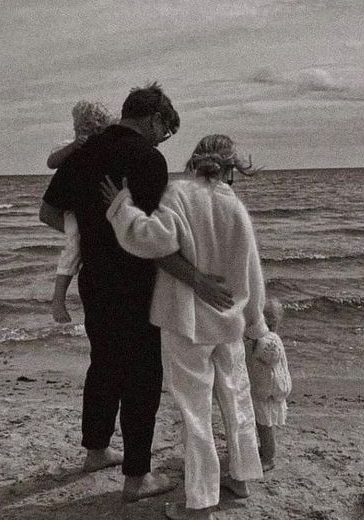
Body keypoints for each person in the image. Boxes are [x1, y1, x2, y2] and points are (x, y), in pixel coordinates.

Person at [39, 84, 233, 504]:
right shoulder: (148, 159)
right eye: (166, 129)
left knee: (104, 362)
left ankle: (95, 451)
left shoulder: (83, 153)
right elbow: (151, 238)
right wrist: (196, 276)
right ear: (153, 118)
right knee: (142, 374)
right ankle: (136, 477)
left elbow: (48, 212)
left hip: (95, 279)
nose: (164, 139)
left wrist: (92, 236)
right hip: (137, 279)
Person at [100, 134, 270, 520]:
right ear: (231, 168)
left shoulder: (178, 194)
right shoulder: (235, 207)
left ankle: (201, 503)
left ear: (194, 160)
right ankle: (241, 477)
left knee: (195, 413)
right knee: (236, 399)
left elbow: (149, 240)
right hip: (229, 321)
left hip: (187, 321)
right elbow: (252, 274)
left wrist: (121, 206)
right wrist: (256, 325)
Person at [46, 100, 113, 324]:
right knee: (74, 244)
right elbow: (51, 162)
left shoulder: (103, 147)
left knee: (78, 242)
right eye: (80, 130)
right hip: (73, 209)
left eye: (90, 130)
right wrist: (73, 146)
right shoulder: (69, 146)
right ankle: (58, 300)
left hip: (84, 209)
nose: (84, 135)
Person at [245, 297, 292, 471]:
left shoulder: (269, 340)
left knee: (264, 425)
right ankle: (265, 450)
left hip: (268, 391)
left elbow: (271, 355)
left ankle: (269, 457)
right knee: (262, 423)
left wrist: (256, 341)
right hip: (264, 388)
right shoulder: (264, 338)